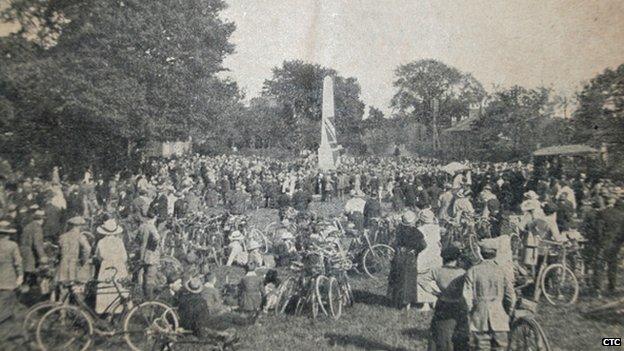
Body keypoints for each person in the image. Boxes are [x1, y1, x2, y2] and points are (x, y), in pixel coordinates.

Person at [463, 241, 515, 351]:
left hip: (479, 315)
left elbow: (466, 296)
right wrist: (508, 313)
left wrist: (470, 312)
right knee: (501, 347)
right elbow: (511, 296)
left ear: (481, 253)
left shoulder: (473, 271)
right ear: (495, 254)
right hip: (499, 315)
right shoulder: (502, 271)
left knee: (481, 347)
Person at [418, 245, 468, 351]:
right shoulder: (462, 273)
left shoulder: (437, 271)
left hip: (443, 302)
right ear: (457, 258)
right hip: (458, 303)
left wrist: (434, 292)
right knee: (459, 333)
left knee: (440, 332)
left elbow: (421, 279)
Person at [388, 210, 427, 309]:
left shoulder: (399, 230)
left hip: (399, 256)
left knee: (398, 278)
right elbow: (423, 245)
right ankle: (407, 303)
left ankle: (396, 301)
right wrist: (415, 250)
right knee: (409, 280)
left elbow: (393, 243)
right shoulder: (416, 232)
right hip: (410, 258)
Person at [94, 219, 129, 314]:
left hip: (107, 267)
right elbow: (125, 257)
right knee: (118, 288)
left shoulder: (101, 242)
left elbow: (98, 256)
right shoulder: (119, 242)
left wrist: (104, 260)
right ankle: (119, 309)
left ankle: (105, 310)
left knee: (106, 289)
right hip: (119, 266)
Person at [56, 216, 91, 299]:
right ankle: (75, 309)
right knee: (77, 290)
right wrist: (84, 260)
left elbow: (59, 251)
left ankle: (62, 309)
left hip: (63, 265)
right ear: (79, 226)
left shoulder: (63, 237)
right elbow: (87, 249)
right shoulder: (80, 236)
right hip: (74, 265)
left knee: (64, 289)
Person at [415, 209, 443, 311]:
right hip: (435, 254)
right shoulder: (437, 228)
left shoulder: (420, 229)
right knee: (434, 276)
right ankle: (435, 298)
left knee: (421, 276)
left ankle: (426, 302)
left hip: (425, 254)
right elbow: (438, 241)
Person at [0, 221, 23, 328]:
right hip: (7, 279)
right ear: (8, 234)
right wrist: (20, 276)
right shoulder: (12, 245)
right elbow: (18, 262)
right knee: (8, 303)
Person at [19, 208, 47, 293]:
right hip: (30, 252)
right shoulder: (37, 228)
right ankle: (29, 292)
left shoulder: (28, 225)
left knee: (26, 270)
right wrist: (42, 256)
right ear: (41, 219)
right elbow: (37, 244)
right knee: (31, 271)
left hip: (23, 250)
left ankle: (25, 288)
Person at [138, 208, 160, 299]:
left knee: (145, 277)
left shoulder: (142, 226)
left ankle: (144, 297)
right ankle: (149, 300)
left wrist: (141, 256)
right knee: (150, 279)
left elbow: (140, 242)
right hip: (151, 256)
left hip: (145, 255)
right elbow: (147, 242)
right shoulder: (152, 228)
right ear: (154, 218)